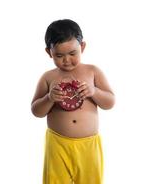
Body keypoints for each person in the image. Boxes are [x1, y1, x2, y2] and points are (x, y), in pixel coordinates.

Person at [31, 19, 115, 184]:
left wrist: (94, 91)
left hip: (88, 144)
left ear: (82, 47)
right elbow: (36, 111)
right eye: (59, 55)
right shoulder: (48, 78)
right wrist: (49, 98)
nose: (67, 60)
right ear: (49, 52)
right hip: (57, 143)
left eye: (72, 53)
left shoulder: (92, 72)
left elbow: (110, 102)